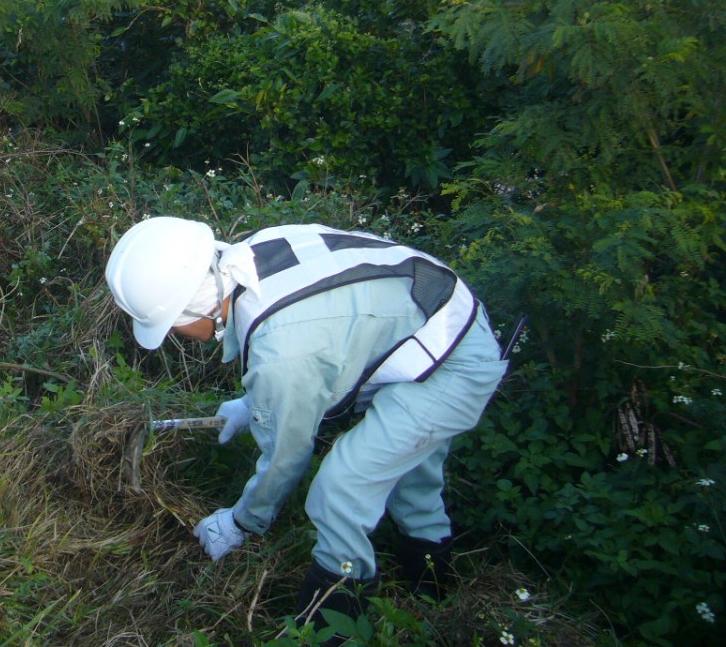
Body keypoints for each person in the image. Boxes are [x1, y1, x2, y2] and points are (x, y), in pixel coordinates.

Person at [105, 217, 507, 638]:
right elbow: (327, 330)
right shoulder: (254, 252)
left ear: (194, 304)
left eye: (170, 323)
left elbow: (286, 456)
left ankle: (333, 621)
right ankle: (433, 590)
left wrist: (243, 522)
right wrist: (253, 405)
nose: (172, 334)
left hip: (451, 358)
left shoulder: (281, 352)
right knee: (404, 464)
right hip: (426, 319)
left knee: (341, 487)